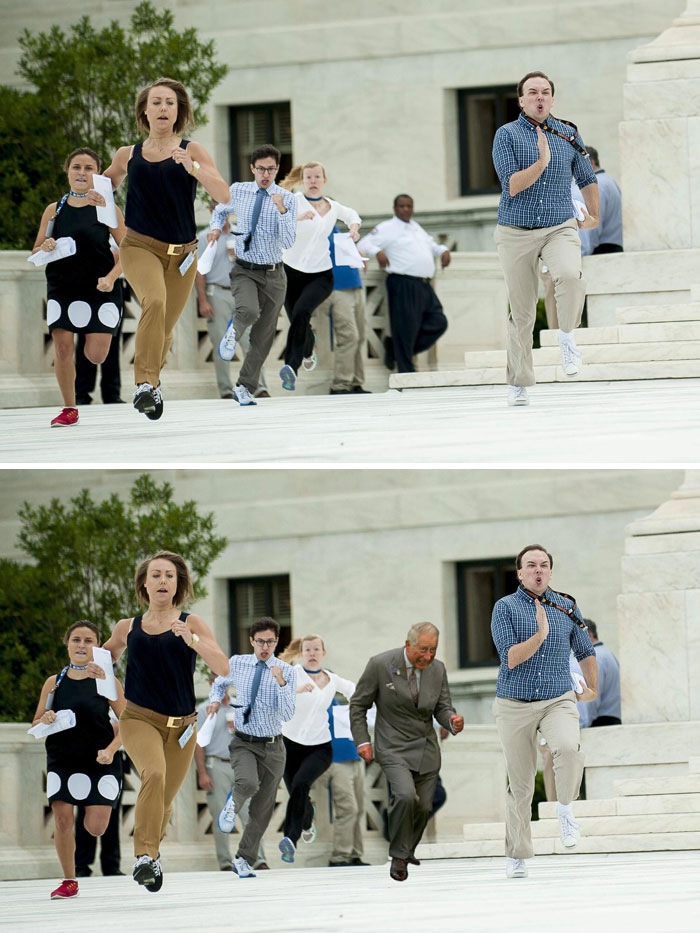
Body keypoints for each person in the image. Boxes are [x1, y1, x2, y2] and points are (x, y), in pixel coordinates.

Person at [85, 550, 229, 891]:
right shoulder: (128, 627)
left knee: (163, 801)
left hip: (182, 726)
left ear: (177, 584)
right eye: (156, 575)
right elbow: (104, 661)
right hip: (138, 718)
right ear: (144, 584)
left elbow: (223, 667)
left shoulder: (191, 623)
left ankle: (153, 857)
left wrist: (191, 640)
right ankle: (144, 857)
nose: (163, 580)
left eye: (170, 575)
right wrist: (95, 672)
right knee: (155, 774)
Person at [88, 77, 230, 420]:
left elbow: (224, 196)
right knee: (155, 301)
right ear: (145, 111)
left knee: (164, 329)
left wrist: (192, 168)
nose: (163, 107)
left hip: (184, 254)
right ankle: (144, 385)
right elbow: (102, 185)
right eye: (156, 102)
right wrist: (92, 199)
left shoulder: (191, 150)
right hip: (138, 246)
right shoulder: (128, 155)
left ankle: (152, 385)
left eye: (170, 102)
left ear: (178, 110)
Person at [490, 544, 598, 880]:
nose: (538, 570)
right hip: (513, 704)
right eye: (531, 565)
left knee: (567, 747)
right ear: (519, 572)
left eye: (544, 565)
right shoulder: (504, 607)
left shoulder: (566, 606)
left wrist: (592, 688)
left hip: (557, 698)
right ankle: (518, 853)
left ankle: (565, 808)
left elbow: (585, 650)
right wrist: (540, 635)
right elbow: (510, 657)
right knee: (520, 784)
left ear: (550, 571)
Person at [492, 71, 599, 406]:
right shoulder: (505, 135)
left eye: (546, 92)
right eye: (532, 92)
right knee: (522, 312)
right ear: (521, 100)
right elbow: (511, 185)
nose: (540, 97)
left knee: (569, 275)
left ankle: (566, 336)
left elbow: (587, 176)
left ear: (552, 98)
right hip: (515, 231)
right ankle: (519, 382)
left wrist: (594, 215)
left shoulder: (568, 133)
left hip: (559, 225)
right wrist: (542, 161)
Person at [349, 622, 464, 882]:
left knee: (424, 805)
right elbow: (358, 705)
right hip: (392, 746)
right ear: (408, 644)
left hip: (426, 747)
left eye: (432, 650)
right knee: (404, 795)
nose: (428, 656)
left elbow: (443, 707)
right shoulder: (380, 664)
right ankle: (399, 857)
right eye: (423, 649)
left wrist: (452, 720)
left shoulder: (438, 669)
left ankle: (407, 849)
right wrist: (362, 741)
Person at [31, 147, 126, 428]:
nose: (82, 173)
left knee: (96, 356)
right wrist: (45, 245)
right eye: (77, 167)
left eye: (89, 168)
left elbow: (130, 252)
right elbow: (36, 248)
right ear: (67, 170)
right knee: (62, 348)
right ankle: (69, 408)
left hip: (101, 289)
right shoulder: (54, 210)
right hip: (62, 287)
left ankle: (88, 333)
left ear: (97, 174)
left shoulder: (108, 208)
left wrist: (111, 277)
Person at [31, 620, 126, 900]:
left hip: (100, 761)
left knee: (96, 828)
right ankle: (69, 880)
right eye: (76, 640)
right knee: (62, 821)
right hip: (62, 759)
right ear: (67, 643)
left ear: (97, 647)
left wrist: (111, 749)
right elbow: (36, 721)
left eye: (88, 641)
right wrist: (45, 718)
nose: (82, 645)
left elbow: (129, 724)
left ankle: (88, 806)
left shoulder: (108, 681)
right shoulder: (54, 682)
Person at [209, 144, 298, 407]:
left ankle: (244, 387)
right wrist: (215, 228)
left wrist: (281, 210)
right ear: (252, 168)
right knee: (247, 311)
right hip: (245, 270)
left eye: (271, 169)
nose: (266, 174)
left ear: (277, 169)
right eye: (261, 169)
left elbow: (289, 240)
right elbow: (220, 210)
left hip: (275, 274)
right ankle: (232, 332)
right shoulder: (238, 190)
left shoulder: (287, 198)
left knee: (262, 338)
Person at [208, 617, 296, 879]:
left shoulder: (286, 670)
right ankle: (231, 806)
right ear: (252, 641)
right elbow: (220, 683)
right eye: (260, 641)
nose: (265, 647)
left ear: (277, 642)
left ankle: (244, 859)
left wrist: (280, 683)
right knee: (246, 783)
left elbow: (288, 713)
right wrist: (214, 700)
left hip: (273, 746)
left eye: (270, 641)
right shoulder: (238, 662)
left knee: (262, 810)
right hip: (245, 742)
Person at [276, 162, 362, 392]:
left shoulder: (333, 207)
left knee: (303, 312)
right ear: (302, 181)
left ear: (324, 181)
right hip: (290, 272)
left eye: (317, 177)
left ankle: (291, 369)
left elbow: (352, 214)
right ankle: (307, 347)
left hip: (320, 275)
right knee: (297, 320)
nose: (313, 181)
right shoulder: (294, 201)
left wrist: (354, 228)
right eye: (308, 177)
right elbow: (276, 217)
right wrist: (292, 218)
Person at [276, 634, 356, 863]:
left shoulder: (333, 679)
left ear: (324, 653)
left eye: (316, 649)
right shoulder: (293, 674)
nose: (312, 654)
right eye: (307, 650)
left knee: (301, 784)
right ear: (301, 654)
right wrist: (293, 690)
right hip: (289, 745)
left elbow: (357, 692)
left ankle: (290, 841)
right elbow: (273, 690)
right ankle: (307, 822)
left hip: (319, 748)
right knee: (298, 793)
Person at [357, 195, 449, 374]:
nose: (405, 209)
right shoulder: (387, 228)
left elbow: (431, 245)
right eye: (402, 206)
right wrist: (378, 252)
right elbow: (364, 243)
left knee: (439, 321)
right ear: (395, 209)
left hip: (423, 285)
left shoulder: (416, 227)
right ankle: (406, 373)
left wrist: (443, 251)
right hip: (403, 283)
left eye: (409, 206)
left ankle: (395, 349)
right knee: (406, 329)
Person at [194, 204, 268, 399]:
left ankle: (259, 386)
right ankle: (226, 389)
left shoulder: (241, 233)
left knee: (251, 340)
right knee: (221, 342)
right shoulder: (204, 237)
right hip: (217, 293)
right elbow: (199, 272)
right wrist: (202, 300)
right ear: (211, 211)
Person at [194, 678, 268, 870]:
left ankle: (258, 859)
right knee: (220, 814)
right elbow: (199, 743)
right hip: (216, 765)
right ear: (211, 683)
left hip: (242, 764)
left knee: (250, 813)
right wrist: (202, 772)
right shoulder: (204, 710)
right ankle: (225, 862)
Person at [315, 226, 370, 395]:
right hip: (336, 289)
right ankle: (341, 384)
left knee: (360, 337)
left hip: (354, 284)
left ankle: (356, 381)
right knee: (349, 336)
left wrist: (357, 252)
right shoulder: (316, 231)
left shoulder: (337, 230)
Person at [327, 698, 370, 866]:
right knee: (348, 808)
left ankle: (355, 854)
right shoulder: (317, 703)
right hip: (336, 762)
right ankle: (339, 856)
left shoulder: (337, 703)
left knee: (359, 809)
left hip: (355, 758)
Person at [579, 148, 623, 256]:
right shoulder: (609, 181)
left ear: (591, 163)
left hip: (600, 251)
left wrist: (584, 252)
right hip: (612, 248)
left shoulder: (597, 185)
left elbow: (593, 224)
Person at [577, 620, 621, 727]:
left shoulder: (595, 658)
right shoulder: (606, 653)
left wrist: (581, 724)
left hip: (599, 723)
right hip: (610, 721)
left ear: (589, 635)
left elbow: (590, 697)